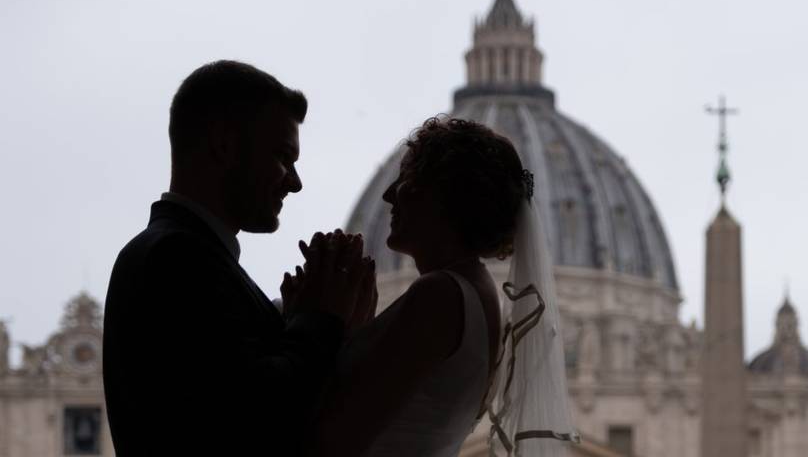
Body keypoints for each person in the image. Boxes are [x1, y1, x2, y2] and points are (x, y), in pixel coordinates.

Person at [103, 60, 376, 457]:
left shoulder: (179, 255)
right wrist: (322, 317)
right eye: (284, 157)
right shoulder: (177, 259)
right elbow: (256, 415)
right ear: (225, 146)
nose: (295, 183)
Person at [304, 117, 578, 457]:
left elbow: (330, 440)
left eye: (406, 180)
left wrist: (318, 318)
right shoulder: (474, 292)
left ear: (445, 196)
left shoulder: (440, 296)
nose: (389, 196)